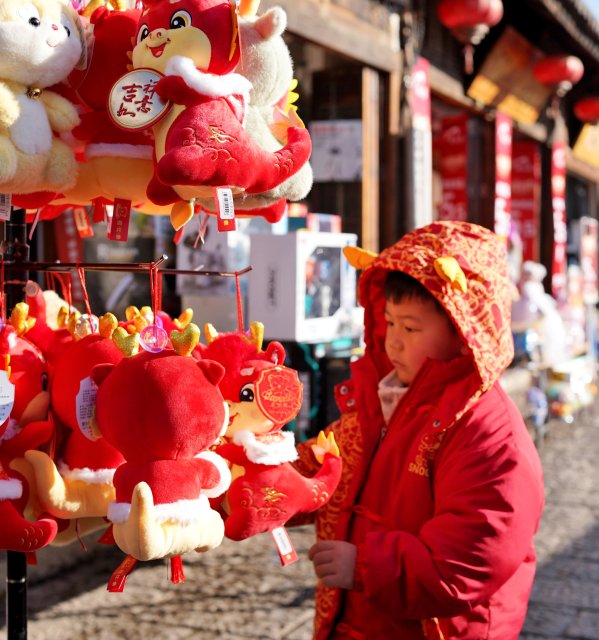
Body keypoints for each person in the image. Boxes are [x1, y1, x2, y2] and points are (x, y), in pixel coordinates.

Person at [292, 221, 545, 640]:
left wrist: (366, 566)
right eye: (389, 322)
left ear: (465, 335)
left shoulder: (489, 434)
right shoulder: (386, 398)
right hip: (358, 619)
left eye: (410, 329)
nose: (393, 342)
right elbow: (324, 463)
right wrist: (256, 483)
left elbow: (470, 558)